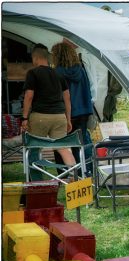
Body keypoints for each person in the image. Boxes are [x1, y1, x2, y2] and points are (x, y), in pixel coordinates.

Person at [21, 46, 76, 180]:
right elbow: (67, 98)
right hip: (59, 117)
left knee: (34, 149)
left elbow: (29, 96)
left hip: (40, 116)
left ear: (35, 57)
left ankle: (36, 183)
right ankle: (76, 181)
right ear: (47, 57)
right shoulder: (59, 74)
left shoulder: (32, 73)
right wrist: (68, 119)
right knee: (64, 149)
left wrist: (24, 117)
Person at [51, 42, 94, 174]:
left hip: (66, 113)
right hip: (83, 112)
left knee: (59, 145)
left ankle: (63, 175)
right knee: (79, 145)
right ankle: (83, 174)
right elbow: (88, 90)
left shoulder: (56, 73)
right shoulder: (81, 70)